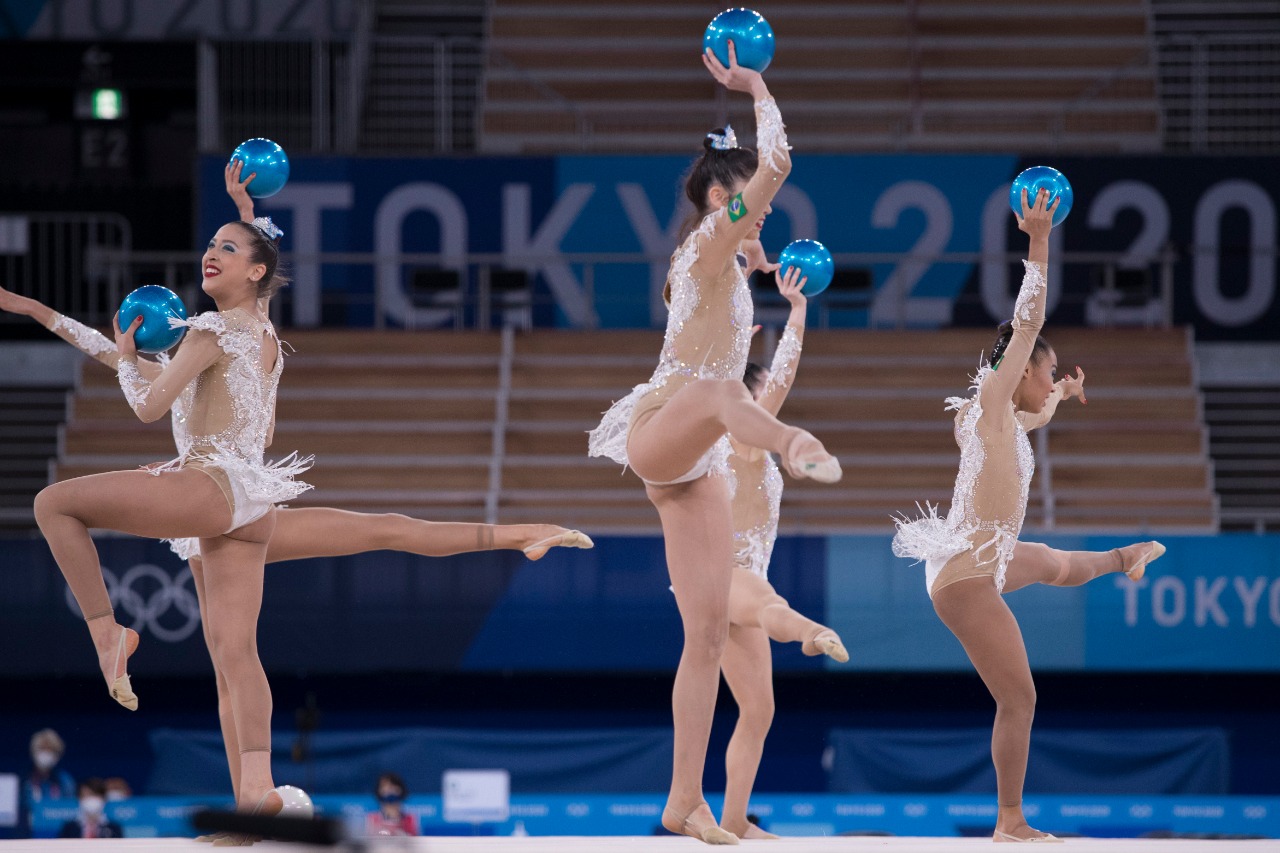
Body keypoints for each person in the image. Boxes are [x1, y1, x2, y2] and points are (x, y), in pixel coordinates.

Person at [588, 43, 840, 845]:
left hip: (693, 466)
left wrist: (769, 281)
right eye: (740, 201)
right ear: (715, 202)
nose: (756, 210)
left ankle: (683, 803)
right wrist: (757, 82)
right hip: (663, 427)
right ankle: (793, 441)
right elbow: (779, 165)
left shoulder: (731, 272)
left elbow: (762, 201)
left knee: (702, 637)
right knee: (727, 394)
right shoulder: (702, 248)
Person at [891, 188, 1165, 843]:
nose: (1047, 383)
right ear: (1014, 372)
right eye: (1044, 374)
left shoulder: (1011, 415)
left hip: (987, 555)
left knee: (1051, 560)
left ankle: (1125, 558)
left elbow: (1036, 409)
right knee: (1021, 697)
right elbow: (1027, 324)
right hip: (965, 574)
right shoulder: (989, 402)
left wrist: (1062, 395)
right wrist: (1039, 242)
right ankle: (1009, 819)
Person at [32, 215, 308, 845]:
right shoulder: (258, 329)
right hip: (247, 499)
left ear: (256, 270)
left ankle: (108, 632)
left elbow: (147, 405)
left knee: (54, 505)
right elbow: (119, 353)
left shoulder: (211, 329)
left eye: (228, 248)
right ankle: (253, 804)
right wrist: (36, 310)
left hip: (209, 488)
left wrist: (130, 365)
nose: (211, 254)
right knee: (232, 657)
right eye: (210, 243)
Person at [720, 269, 849, 840]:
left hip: (732, 576)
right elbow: (779, 387)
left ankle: (733, 821)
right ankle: (807, 630)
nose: (771, 389)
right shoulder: (744, 437)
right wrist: (796, 312)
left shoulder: (742, 443)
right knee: (769, 602)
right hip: (722, 573)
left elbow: (765, 389)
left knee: (759, 710)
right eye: (763, 384)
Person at [22, 729, 75, 836]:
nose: (45, 754)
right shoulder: (24, 780)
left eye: (50, 750)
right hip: (28, 832)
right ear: (34, 752)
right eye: (42, 749)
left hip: (59, 834)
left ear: (57, 755)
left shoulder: (65, 781)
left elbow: (70, 809)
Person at [58, 778, 124, 839]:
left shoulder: (114, 829)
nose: (91, 799)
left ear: (104, 799)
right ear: (79, 799)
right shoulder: (69, 829)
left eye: (94, 795)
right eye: (86, 795)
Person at [365, 772, 417, 837]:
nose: (389, 789)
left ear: (400, 790)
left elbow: (414, 841)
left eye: (393, 786)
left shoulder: (411, 819)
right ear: (379, 791)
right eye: (384, 786)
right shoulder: (371, 819)